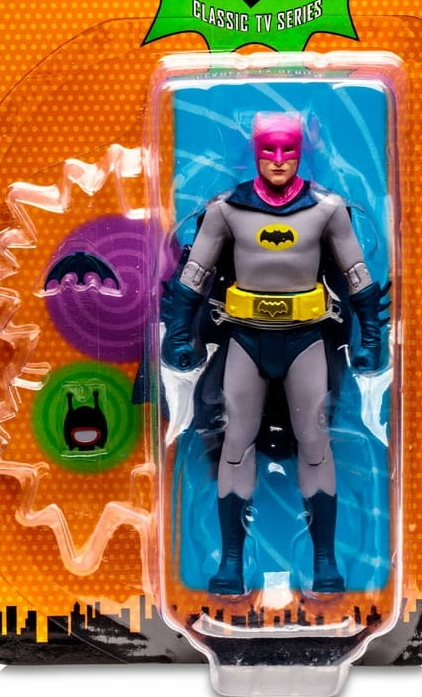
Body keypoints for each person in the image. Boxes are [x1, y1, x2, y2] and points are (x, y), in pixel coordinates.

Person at [161, 113, 387, 595]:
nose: (279, 160)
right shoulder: (227, 209)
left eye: (288, 150)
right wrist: (180, 332)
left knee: (315, 441)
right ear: (256, 151)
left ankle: (324, 562)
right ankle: (231, 563)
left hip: (306, 338)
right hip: (245, 338)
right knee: (236, 442)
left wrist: (370, 336)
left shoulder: (326, 209)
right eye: (269, 150)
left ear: (301, 151)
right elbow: (194, 275)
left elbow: (357, 275)